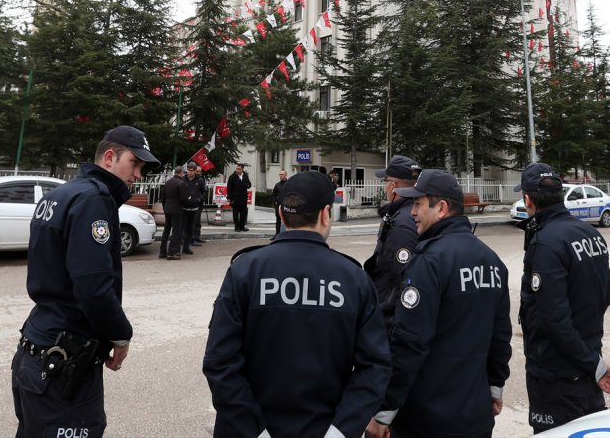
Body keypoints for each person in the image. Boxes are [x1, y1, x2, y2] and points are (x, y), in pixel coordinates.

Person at [203, 170, 392, 438]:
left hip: (247, 429)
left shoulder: (244, 270)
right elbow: (374, 366)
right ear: (326, 214)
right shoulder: (354, 278)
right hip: (323, 428)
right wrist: (340, 430)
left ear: (280, 214)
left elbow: (219, 361)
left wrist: (254, 429)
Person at [12, 125, 160, 438]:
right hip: (62, 360)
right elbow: (92, 288)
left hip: (34, 351)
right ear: (109, 157)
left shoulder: (61, 193)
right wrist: (121, 335)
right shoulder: (93, 199)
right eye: (134, 163)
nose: (137, 175)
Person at [366, 169, 512, 438]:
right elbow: (500, 337)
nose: (412, 212)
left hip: (427, 419)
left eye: (418, 204)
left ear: (441, 208)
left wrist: (384, 411)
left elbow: (409, 343)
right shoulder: (492, 261)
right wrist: (494, 388)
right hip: (476, 414)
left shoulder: (429, 262)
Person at [516, 162, 610, 433]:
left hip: (556, 376)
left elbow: (553, 319)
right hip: (587, 362)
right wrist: (592, 360)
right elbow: (606, 294)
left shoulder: (545, 242)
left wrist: (592, 364)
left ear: (528, 199)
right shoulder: (590, 233)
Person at [363, 155, 421, 333]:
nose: (384, 185)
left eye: (385, 181)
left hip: (391, 320)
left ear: (393, 186)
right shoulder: (411, 213)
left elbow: (402, 279)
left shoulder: (402, 223)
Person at [159, 165, 188, 259]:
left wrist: (165, 208)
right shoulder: (181, 183)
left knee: (166, 230)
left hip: (167, 209)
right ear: (181, 173)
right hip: (177, 210)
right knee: (176, 231)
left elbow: (163, 197)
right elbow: (183, 198)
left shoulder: (167, 182)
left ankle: (162, 251)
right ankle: (173, 252)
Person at [182, 161, 207, 252]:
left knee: (194, 224)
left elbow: (204, 192)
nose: (190, 172)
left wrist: (199, 199)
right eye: (189, 170)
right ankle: (184, 241)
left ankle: (192, 240)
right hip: (184, 207)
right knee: (184, 225)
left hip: (195, 206)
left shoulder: (199, 181)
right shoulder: (183, 179)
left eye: (192, 170)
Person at [226, 162, 252, 232]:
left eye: (239, 169)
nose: (237, 170)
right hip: (235, 198)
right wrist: (229, 198)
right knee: (235, 213)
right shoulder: (232, 177)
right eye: (237, 168)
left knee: (243, 213)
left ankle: (242, 226)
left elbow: (249, 184)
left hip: (243, 198)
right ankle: (236, 226)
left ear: (242, 169)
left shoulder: (245, 176)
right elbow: (229, 188)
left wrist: (248, 185)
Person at [271, 169, 289, 236]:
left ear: (286, 175)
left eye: (282, 174)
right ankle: (277, 235)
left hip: (286, 206)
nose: (280, 176)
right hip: (278, 206)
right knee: (278, 221)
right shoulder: (277, 185)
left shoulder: (289, 184)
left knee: (286, 221)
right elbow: (273, 195)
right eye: (280, 174)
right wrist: (275, 202)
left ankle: (286, 235)